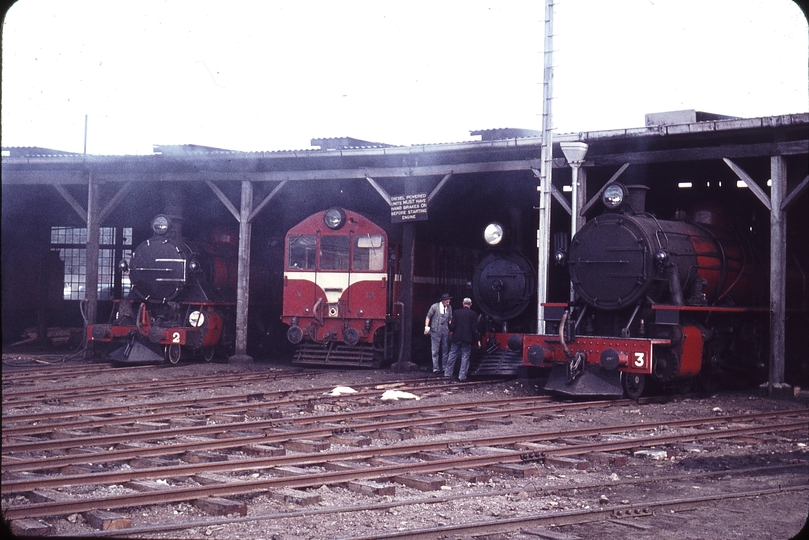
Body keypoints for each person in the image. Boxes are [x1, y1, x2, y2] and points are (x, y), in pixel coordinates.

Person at [444, 297, 481, 381]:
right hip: (467, 339)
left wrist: (449, 324)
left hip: (456, 338)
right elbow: (474, 329)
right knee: (465, 357)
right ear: (471, 305)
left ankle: (447, 373)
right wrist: (478, 341)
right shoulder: (473, 314)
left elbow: (452, 327)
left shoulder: (456, 312)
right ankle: (462, 376)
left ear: (462, 304)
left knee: (452, 354)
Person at [425, 293, 452, 374]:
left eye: (449, 301)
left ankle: (444, 367)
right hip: (435, 330)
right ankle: (436, 368)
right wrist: (426, 326)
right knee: (435, 350)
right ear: (443, 301)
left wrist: (452, 326)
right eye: (447, 302)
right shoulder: (434, 307)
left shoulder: (449, 308)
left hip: (445, 330)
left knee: (445, 349)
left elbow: (450, 318)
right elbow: (428, 316)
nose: (448, 303)